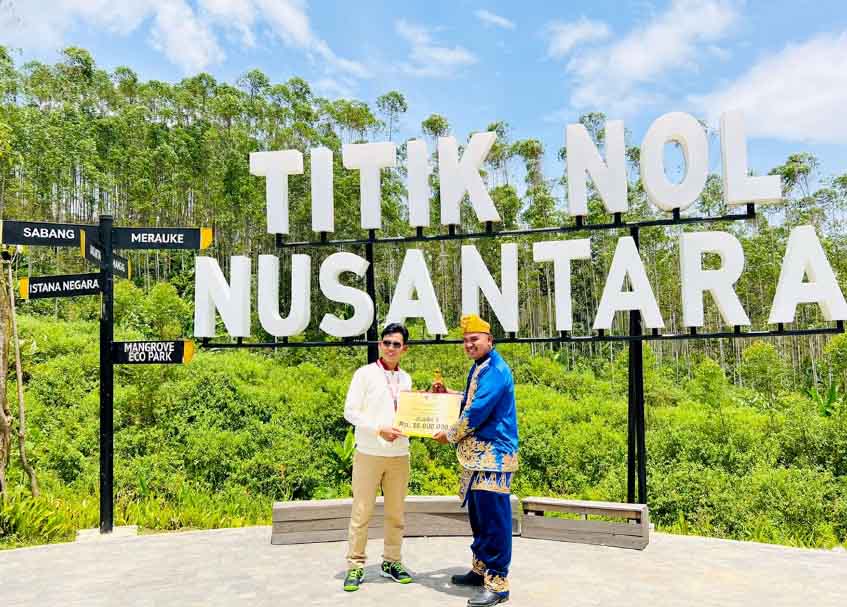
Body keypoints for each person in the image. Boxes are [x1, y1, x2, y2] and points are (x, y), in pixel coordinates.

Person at [433, 314, 519, 607]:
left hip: (494, 456)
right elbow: (471, 400)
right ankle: (480, 569)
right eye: (466, 340)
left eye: (475, 339)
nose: (469, 344)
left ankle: (498, 582)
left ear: (489, 340)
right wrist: (448, 396)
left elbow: (477, 411)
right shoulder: (482, 366)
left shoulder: (496, 369)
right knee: (479, 515)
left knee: (494, 520)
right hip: (477, 457)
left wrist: (449, 435)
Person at [342, 322, 414, 592]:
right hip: (369, 453)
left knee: (396, 514)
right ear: (380, 345)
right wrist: (378, 429)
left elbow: (411, 413)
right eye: (387, 343)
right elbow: (350, 411)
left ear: (404, 349)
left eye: (397, 344)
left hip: (400, 454)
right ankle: (355, 565)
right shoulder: (364, 374)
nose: (391, 348)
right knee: (361, 513)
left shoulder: (406, 379)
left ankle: (392, 562)